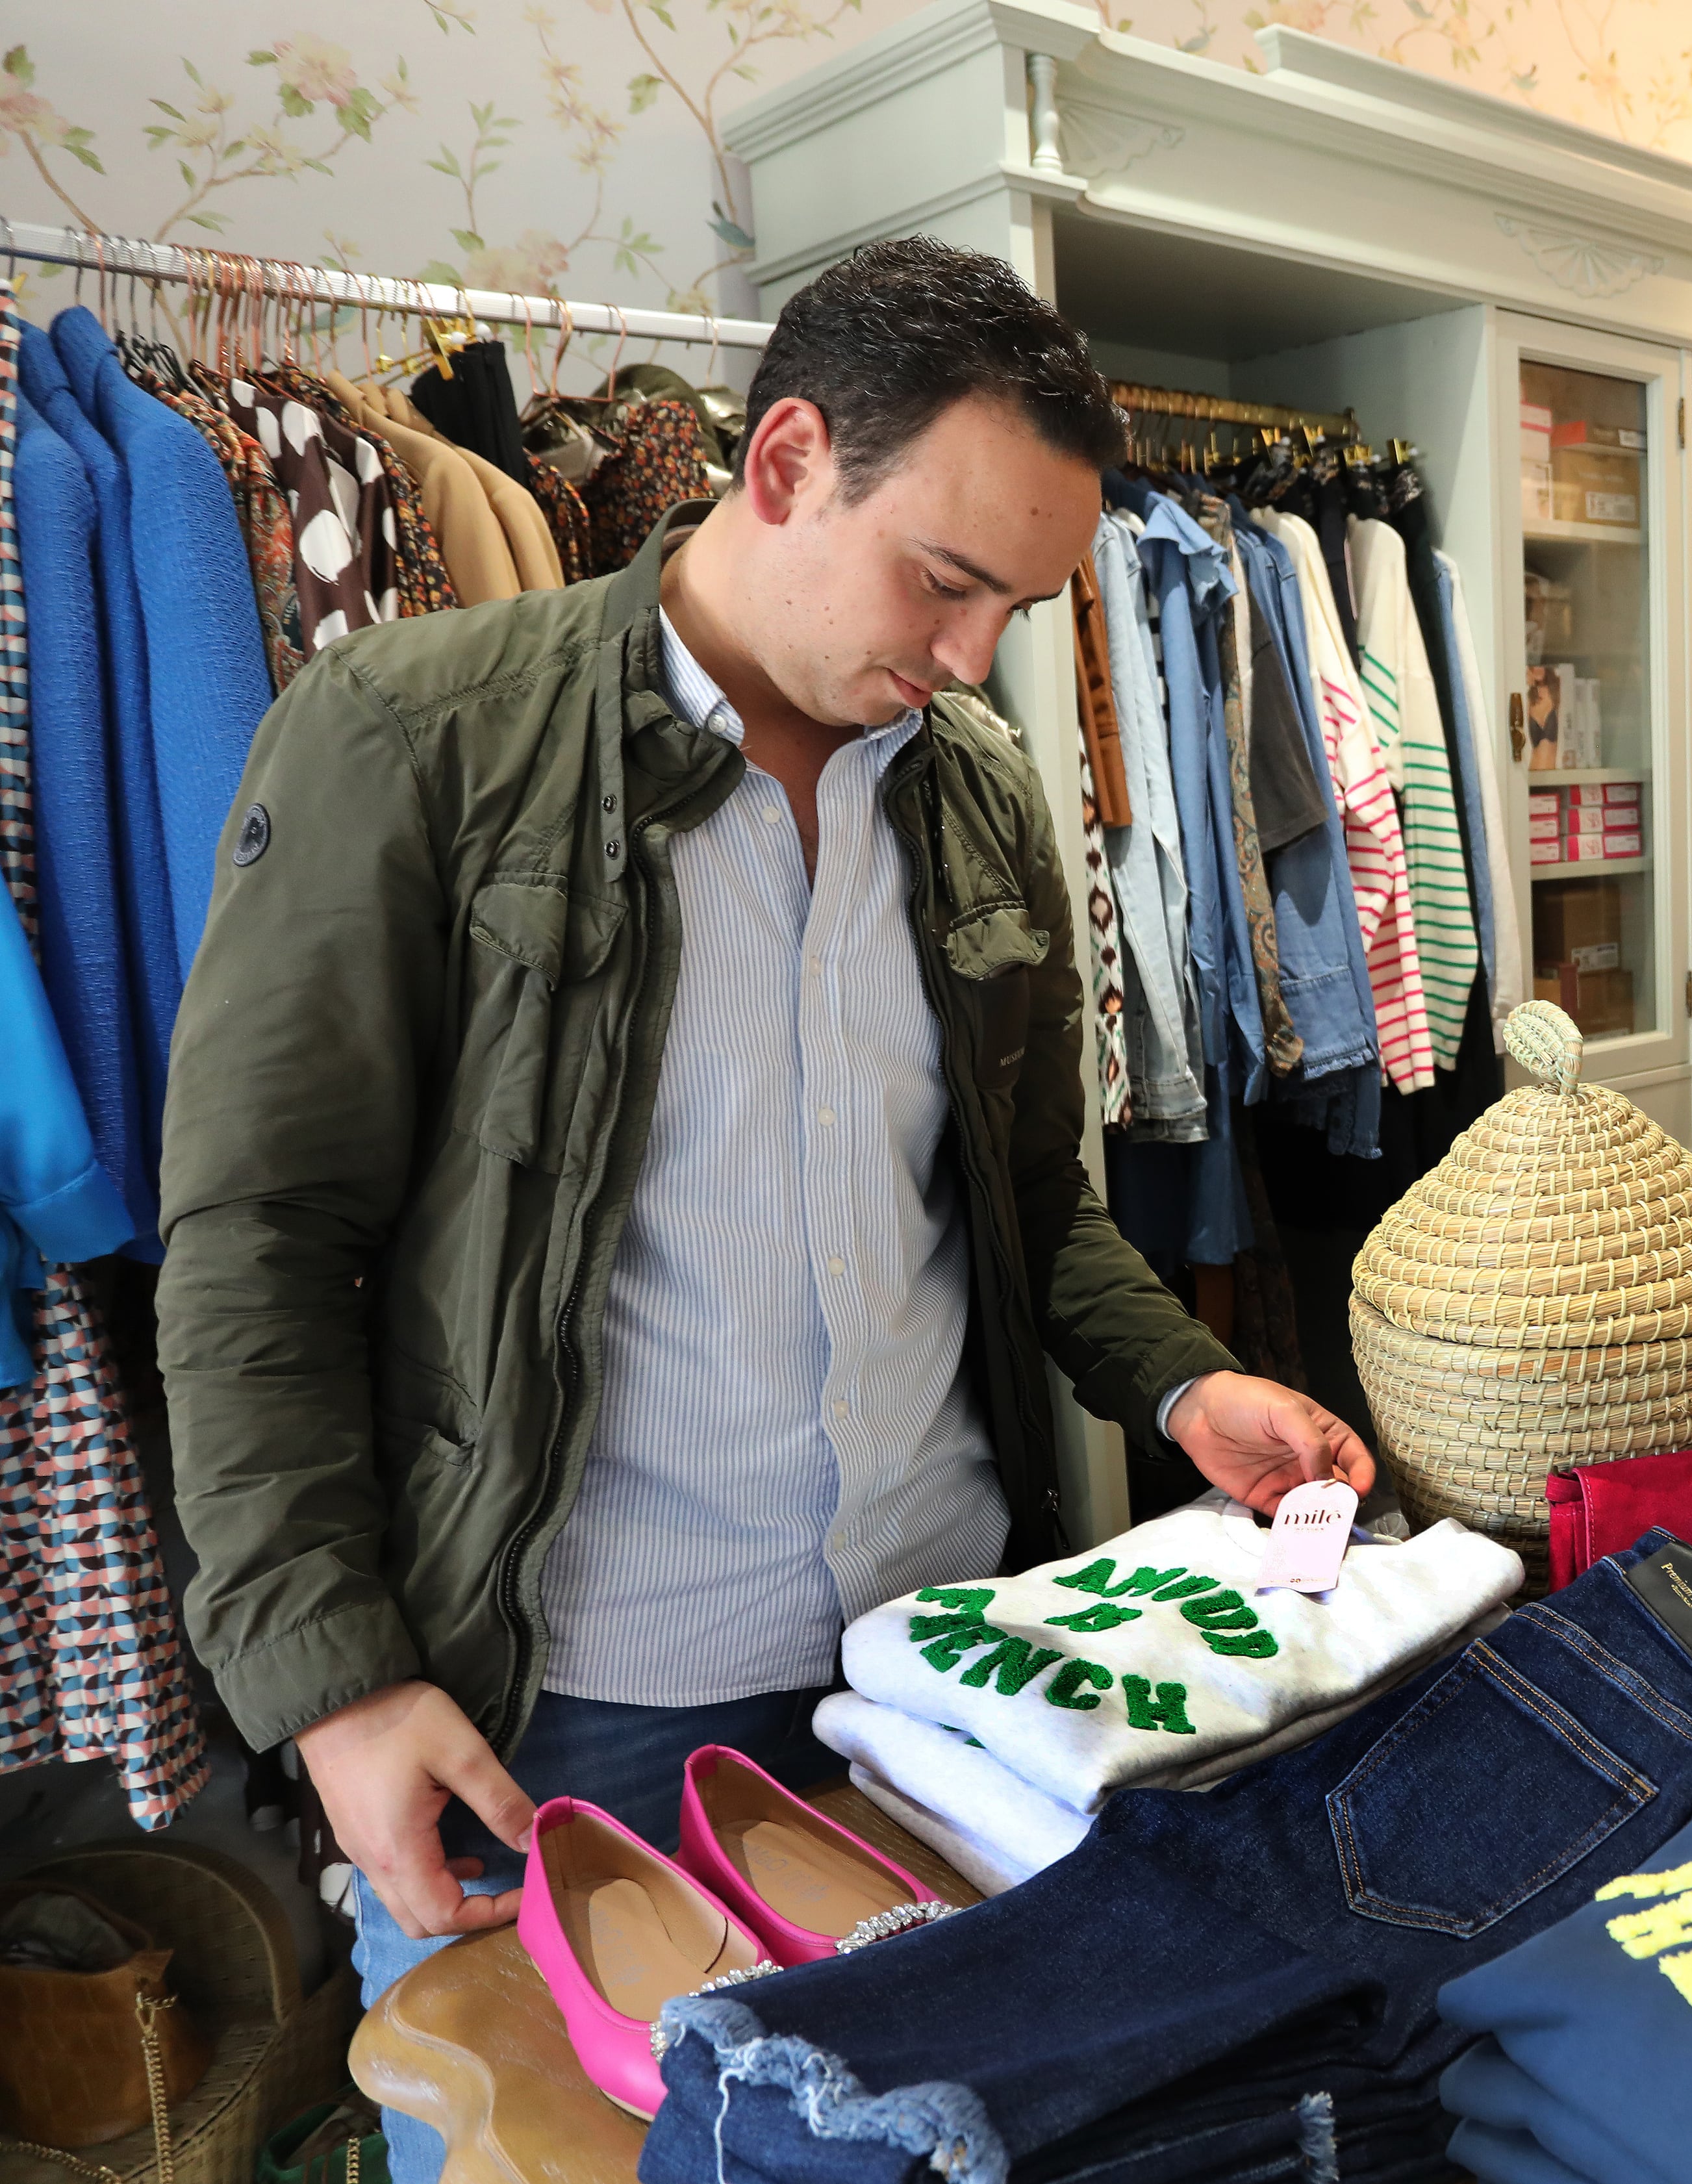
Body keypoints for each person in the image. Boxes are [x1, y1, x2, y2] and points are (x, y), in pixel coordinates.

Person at [156, 237, 1368, 2169]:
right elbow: (259, 1241)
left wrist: (1177, 1385)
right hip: (572, 1711)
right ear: (788, 458)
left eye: (1021, 610)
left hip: (944, 1675)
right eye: (947, 583)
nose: (975, 660)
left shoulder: (971, 792)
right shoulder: (422, 739)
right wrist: (339, 1681)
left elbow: (1027, 1205)